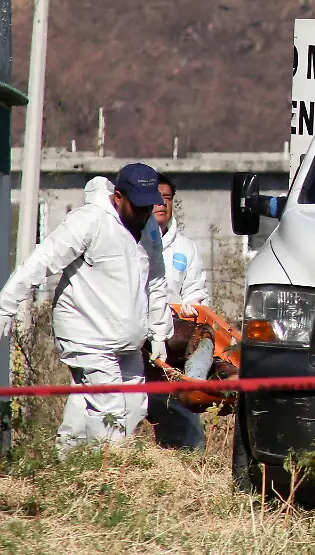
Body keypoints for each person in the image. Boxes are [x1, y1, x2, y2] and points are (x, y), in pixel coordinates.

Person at [0, 164, 171, 449]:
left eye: (150, 206)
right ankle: (105, 480)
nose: (146, 213)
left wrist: (159, 331)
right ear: (118, 197)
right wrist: (5, 306)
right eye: (139, 206)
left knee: (135, 407)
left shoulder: (148, 228)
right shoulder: (90, 222)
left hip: (127, 338)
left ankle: (71, 461)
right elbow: (42, 260)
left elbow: (157, 281)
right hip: (88, 334)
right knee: (109, 415)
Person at [146, 172, 212, 450]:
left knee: (183, 419)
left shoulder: (186, 248)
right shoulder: (131, 243)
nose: (162, 204)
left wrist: (192, 305)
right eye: (155, 199)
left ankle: (187, 460)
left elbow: (198, 290)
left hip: (173, 343)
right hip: (136, 340)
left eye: (168, 198)